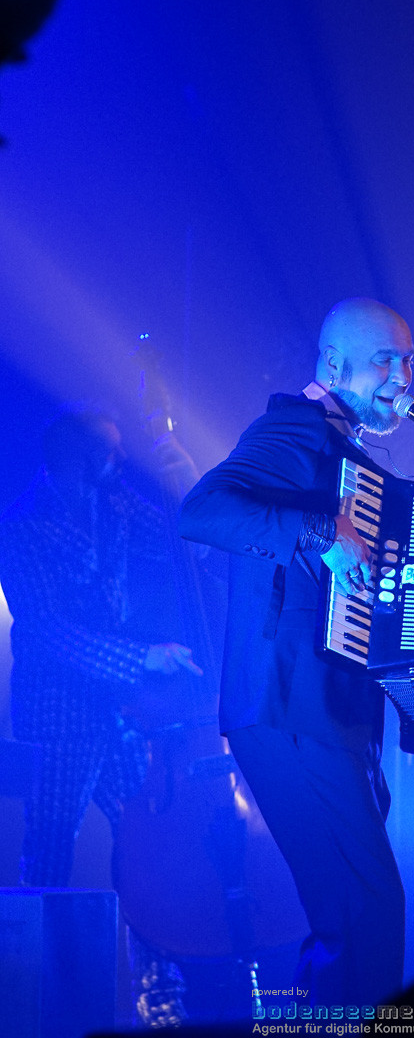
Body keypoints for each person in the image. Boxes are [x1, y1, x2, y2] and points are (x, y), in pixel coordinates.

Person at [179, 297, 414, 1008]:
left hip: (324, 711)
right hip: (287, 705)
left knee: (347, 921)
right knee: (368, 914)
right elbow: (203, 509)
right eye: (386, 360)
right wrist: (321, 530)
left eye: (408, 362)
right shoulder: (295, 424)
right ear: (333, 364)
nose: (403, 377)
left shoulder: (344, 450)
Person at [0, 405, 202, 1026]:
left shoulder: (115, 510)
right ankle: (41, 997)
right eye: (109, 452)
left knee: (146, 843)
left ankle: (161, 995)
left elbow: (179, 539)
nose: (120, 462)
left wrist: (186, 484)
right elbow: (49, 631)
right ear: (74, 461)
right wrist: (142, 655)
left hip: (115, 712)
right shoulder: (24, 530)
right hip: (57, 714)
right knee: (51, 854)